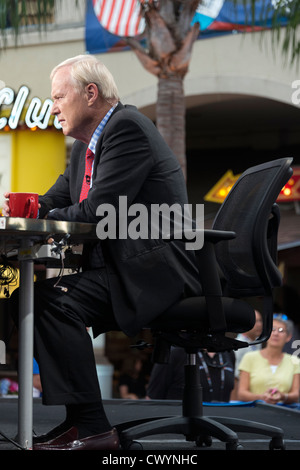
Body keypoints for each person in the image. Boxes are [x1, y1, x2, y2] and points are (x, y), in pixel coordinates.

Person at [3, 55, 201, 450]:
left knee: (48, 302)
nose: (54, 106)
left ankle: (92, 425)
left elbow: (97, 213)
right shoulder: (83, 150)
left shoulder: (127, 128)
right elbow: (53, 201)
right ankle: (80, 422)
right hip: (118, 268)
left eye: (59, 96)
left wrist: (47, 215)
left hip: (154, 272)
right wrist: (22, 209)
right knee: (18, 301)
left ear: (90, 94)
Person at [238, 314, 300, 405]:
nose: (276, 333)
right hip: (254, 413)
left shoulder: (295, 361)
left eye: (281, 330)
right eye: (273, 329)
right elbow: (241, 394)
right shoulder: (249, 357)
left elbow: (296, 395)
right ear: (266, 333)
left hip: (284, 413)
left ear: (288, 337)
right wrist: (262, 397)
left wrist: (283, 396)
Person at [146, 346, 236, 402]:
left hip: (221, 423)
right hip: (179, 426)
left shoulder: (228, 353)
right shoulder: (174, 353)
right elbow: (152, 398)